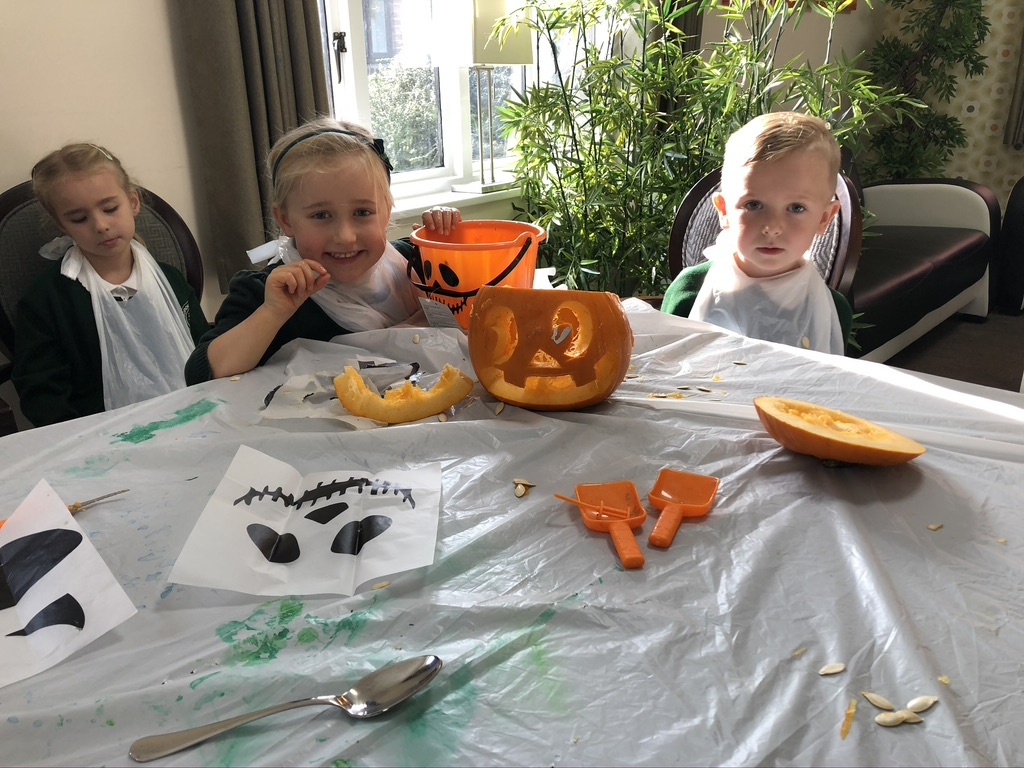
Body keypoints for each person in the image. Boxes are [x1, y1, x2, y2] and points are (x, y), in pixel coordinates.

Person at [184, 117, 462, 384]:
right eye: (321, 215)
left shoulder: (415, 260)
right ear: (286, 220)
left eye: (362, 212)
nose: (345, 237)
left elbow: (472, 311)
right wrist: (272, 313)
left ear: (386, 213)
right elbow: (201, 374)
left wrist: (451, 244)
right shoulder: (267, 291)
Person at [12, 143, 210, 427]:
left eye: (110, 208)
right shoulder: (46, 301)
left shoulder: (171, 280)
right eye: (79, 219)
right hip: (99, 436)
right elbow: (43, 395)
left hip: (194, 419)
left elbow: (204, 351)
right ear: (61, 225)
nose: (100, 225)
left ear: (133, 202)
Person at [661, 112, 852, 354]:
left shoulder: (834, 311)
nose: (772, 226)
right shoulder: (689, 293)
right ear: (724, 210)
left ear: (824, 218)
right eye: (753, 205)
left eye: (796, 208)